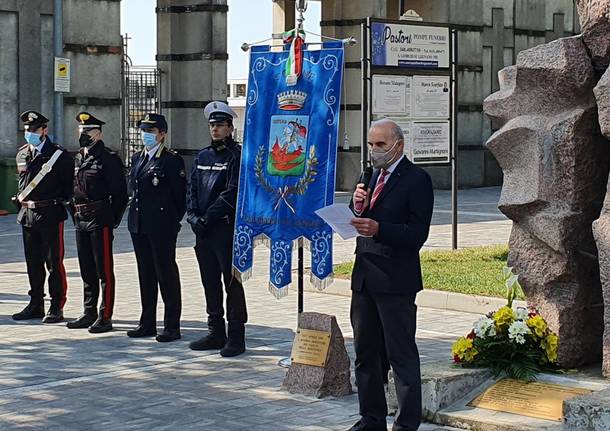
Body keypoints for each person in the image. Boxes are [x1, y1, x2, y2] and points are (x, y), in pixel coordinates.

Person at [348, 119, 434, 431]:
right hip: (364, 277)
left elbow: (417, 233)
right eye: (371, 144)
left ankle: (406, 424)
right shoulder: (368, 176)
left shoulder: (417, 180)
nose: (374, 151)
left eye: (380, 145)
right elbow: (358, 217)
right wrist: (357, 208)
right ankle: (371, 418)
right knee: (365, 353)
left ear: (398, 145)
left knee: (401, 356)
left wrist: (380, 229)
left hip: (395, 280)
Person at [187, 101, 247, 357]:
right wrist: (193, 217)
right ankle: (215, 332)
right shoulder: (202, 156)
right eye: (212, 125)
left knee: (231, 283)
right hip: (203, 231)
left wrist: (208, 218)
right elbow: (191, 189)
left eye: (221, 125)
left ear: (231, 128)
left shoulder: (236, 156)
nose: (215, 129)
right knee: (209, 282)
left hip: (225, 228)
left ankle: (236, 336)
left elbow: (231, 193)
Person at [127, 113, 186, 342]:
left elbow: (179, 197)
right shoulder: (137, 158)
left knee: (166, 274)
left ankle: (172, 325)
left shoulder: (171, 160)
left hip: (162, 227)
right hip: (139, 225)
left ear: (162, 134)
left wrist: (171, 222)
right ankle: (147, 322)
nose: (146, 135)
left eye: (151, 131)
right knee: (146, 274)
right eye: (143, 130)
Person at [66, 112, 128, 333]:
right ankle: (89, 310)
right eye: (81, 131)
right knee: (86, 268)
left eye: (88, 131)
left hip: (100, 218)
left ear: (98, 134)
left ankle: (105, 314)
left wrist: (112, 219)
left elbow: (120, 194)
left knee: (103, 269)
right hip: (81, 218)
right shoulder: (78, 156)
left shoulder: (108, 158)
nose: (83, 135)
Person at [12, 110, 73, 323]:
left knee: (54, 263)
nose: (30, 133)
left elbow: (68, 188)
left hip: (49, 214)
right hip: (27, 214)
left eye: (34, 129)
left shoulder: (58, 155)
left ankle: (57, 305)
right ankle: (36, 303)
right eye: (27, 130)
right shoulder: (22, 154)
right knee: (32, 262)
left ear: (44, 130)